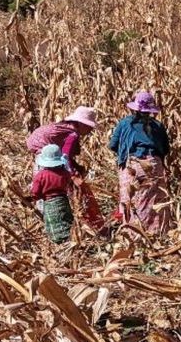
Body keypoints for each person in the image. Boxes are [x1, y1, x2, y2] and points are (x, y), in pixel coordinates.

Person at [109, 90, 173, 235]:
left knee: (130, 198)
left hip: (131, 164)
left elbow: (113, 145)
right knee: (154, 200)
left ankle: (132, 232)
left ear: (134, 108)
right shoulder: (157, 125)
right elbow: (165, 149)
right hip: (153, 164)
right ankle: (156, 232)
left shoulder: (125, 123)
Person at [26, 106, 98, 177]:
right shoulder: (73, 134)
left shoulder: (66, 126)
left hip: (35, 139)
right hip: (41, 144)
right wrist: (72, 175)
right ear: (81, 124)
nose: (90, 130)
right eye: (88, 126)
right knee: (47, 169)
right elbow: (65, 156)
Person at [31, 144, 75, 243]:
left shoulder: (41, 175)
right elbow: (69, 183)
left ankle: (57, 240)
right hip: (63, 201)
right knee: (67, 219)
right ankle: (70, 237)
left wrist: (34, 197)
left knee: (53, 222)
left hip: (50, 202)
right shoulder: (65, 173)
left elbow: (35, 192)